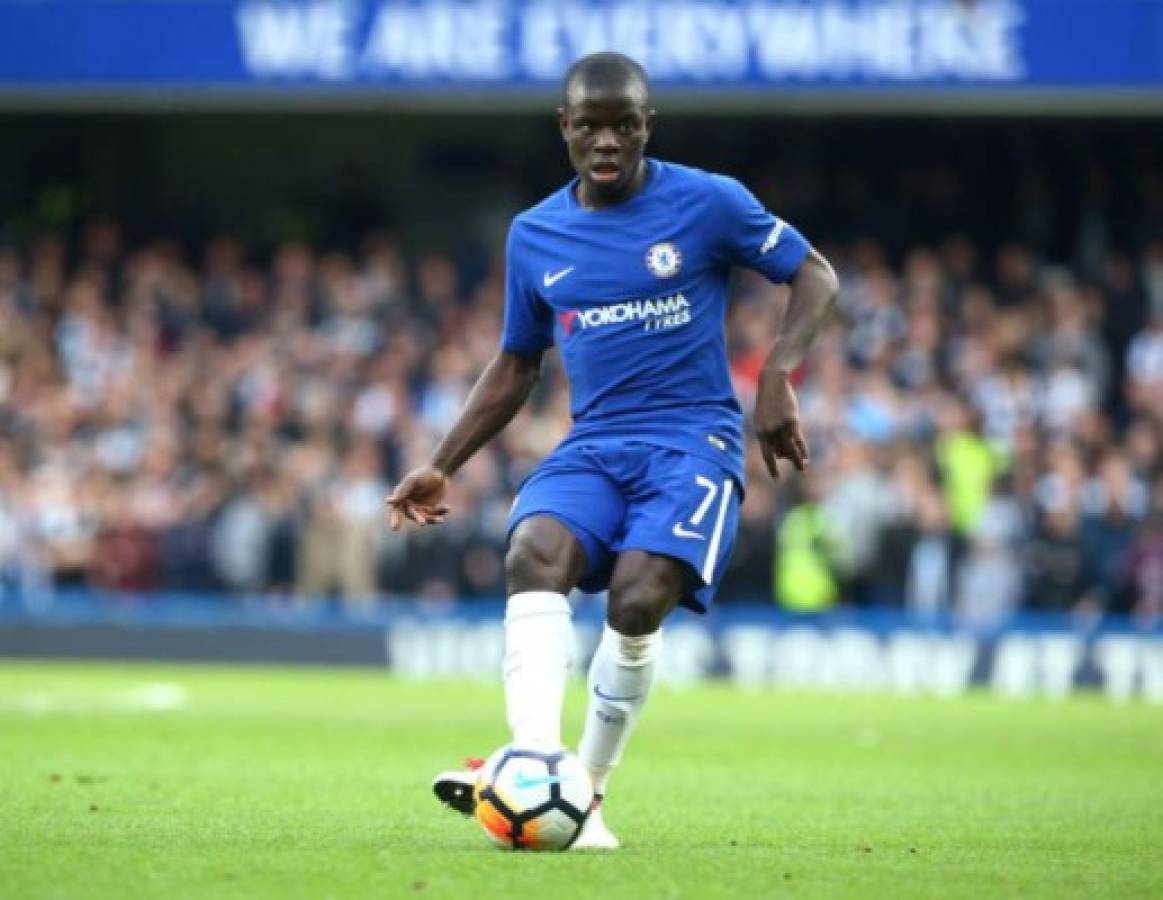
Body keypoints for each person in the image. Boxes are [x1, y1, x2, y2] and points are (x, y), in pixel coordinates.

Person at [386, 51, 838, 850]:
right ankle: (533, 761)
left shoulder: (706, 201)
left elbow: (814, 275)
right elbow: (516, 363)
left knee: (634, 600)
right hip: (594, 444)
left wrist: (775, 375)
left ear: (645, 126)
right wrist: (443, 462)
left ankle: (584, 794)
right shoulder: (535, 235)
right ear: (563, 126)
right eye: (589, 126)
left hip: (692, 442)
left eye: (622, 125)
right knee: (533, 549)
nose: (605, 141)